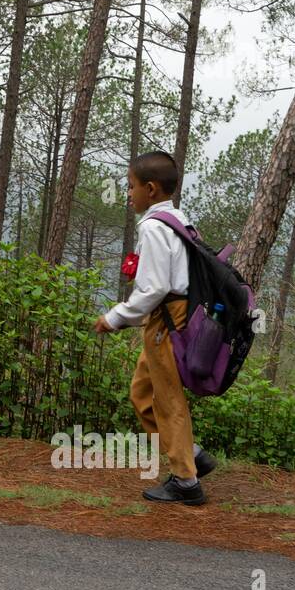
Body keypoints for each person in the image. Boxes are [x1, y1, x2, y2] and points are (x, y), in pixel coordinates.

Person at [93, 151, 216, 505]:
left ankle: (186, 482)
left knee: (166, 399)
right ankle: (191, 454)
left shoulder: (153, 227)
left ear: (150, 189)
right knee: (143, 393)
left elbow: (154, 288)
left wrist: (115, 318)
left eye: (131, 187)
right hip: (176, 314)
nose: (127, 194)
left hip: (166, 319)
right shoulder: (179, 220)